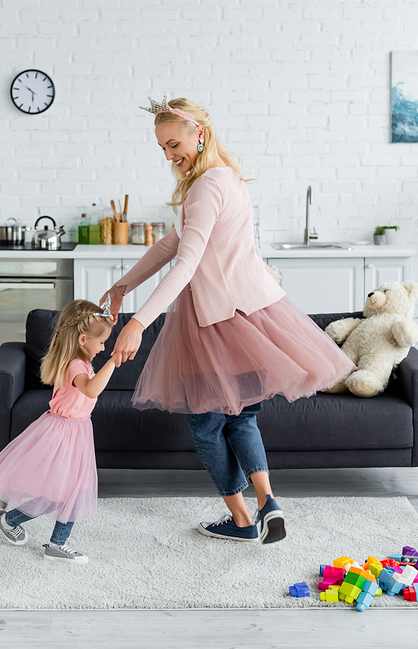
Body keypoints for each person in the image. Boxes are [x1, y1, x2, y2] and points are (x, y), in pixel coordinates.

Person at [101, 95, 355, 545]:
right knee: (241, 416)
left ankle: (241, 521)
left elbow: (184, 264)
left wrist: (138, 321)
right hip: (252, 314)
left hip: (216, 320)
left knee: (205, 424)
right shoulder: (226, 179)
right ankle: (268, 503)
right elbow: (169, 246)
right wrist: (123, 284)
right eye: (161, 147)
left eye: (173, 143)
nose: (168, 155)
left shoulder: (204, 189)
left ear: (200, 133)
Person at [0, 298, 116, 563]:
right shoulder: (76, 365)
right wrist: (113, 362)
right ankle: (18, 524)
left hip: (77, 431)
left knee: (73, 492)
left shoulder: (79, 361)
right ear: (83, 339)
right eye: (101, 342)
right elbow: (90, 389)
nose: (103, 347)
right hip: (63, 434)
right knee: (57, 494)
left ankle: (51, 540)